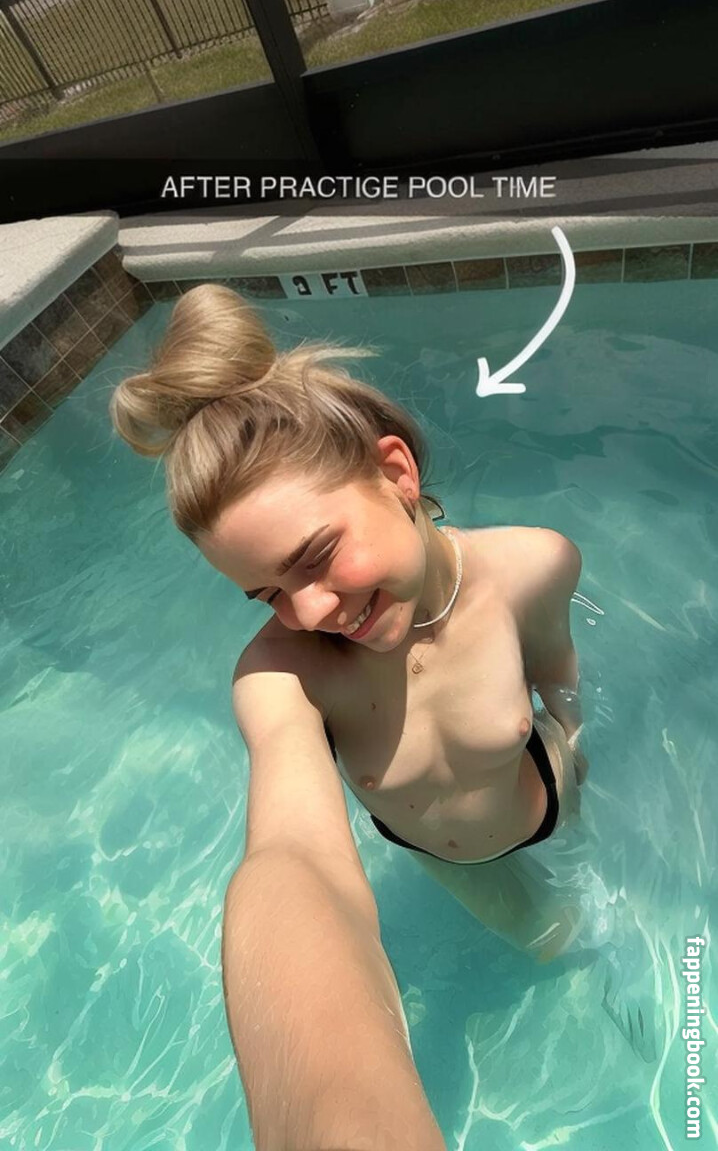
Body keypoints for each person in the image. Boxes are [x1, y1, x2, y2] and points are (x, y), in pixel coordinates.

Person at [110, 283, 590, 1141]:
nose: (311, 611)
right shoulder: (281, 675)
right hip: (447, 859)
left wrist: (575, 749)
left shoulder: (534, 565)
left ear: (396, 473)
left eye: (317, 556)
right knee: (557, 944)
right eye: (267, 593)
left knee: (599, 918)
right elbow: (293, 860)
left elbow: (557, 673)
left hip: (546, 798)